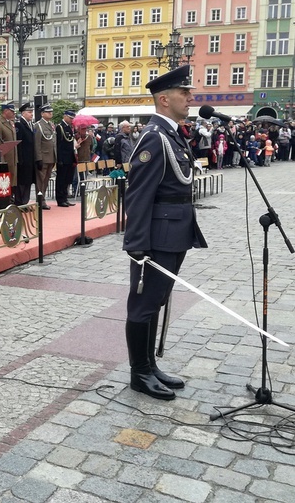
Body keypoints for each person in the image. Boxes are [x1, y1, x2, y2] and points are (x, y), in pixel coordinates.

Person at [123, 65, 207, 401]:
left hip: (174, 232)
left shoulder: (172, 134)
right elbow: (139, 195)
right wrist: (137, 244)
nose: (190, 97)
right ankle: (139, 373)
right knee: (143, 305)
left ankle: (149, 366)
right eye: (183, 92)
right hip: (156, 237)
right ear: (163, 99)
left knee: (156, 301)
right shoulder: (154, 138)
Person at [34, 103, 56, 209]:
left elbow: (53, 141)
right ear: (42, 114)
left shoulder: (51, 124)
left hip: (51, 157)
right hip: (43, 157)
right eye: (48, 112)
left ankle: (43, 198)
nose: (50, 113)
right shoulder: (38, 125)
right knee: (40, 180)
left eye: (51, 111)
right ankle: (40, 200)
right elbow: (37, 143)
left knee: (46, 180)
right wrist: (38, 158)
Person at [14, 102, 35, 206]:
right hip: (23, 159)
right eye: (29, 112)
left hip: (30, 158)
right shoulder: (19, 124)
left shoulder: (30, 124)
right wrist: (20, 160)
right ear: (23, 113)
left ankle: (24, 202)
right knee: (21, 182)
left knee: (28, 182)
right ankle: (20, 202)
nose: (32, 114)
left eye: (32, 112)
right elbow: (19, 144)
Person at [0, 101, 18, 204]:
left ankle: (10, 199)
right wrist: (2, 160)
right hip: (5, 158)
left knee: (12, 180)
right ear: (5, 111)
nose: (13, 113)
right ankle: (4, 202)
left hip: (12, 157)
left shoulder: (11, 123)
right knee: (4, 182)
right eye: (11, 111)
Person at [55, 109, 76, 207]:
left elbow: (70, 143)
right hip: (62, 157)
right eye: (70, 118)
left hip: (69, 157)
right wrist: (59, 159)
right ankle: (60, 199)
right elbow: (58, 144)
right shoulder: (60, 127)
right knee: (61, 179)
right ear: (65, 116)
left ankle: (65, 197)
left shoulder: (69, 127)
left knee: (67, 179)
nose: (72, 120)